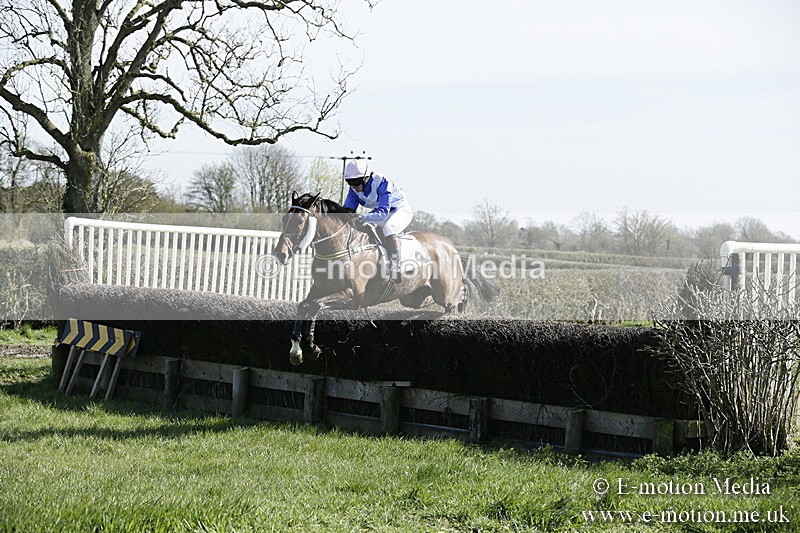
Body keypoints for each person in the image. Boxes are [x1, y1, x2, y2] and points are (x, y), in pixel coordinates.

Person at [342, 160, 412, 283]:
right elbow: (347, 211)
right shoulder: (353, 189)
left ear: (366, 178)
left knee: (389, 228)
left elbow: (383, 213)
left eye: (356, 182)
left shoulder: (382, 182)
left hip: (399, 210)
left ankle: (396, 267)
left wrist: (362, 217)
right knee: (360, 226)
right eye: (349, 182)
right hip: (380, 212)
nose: (353, 186)